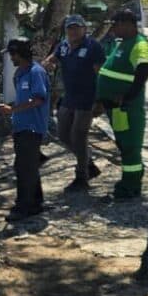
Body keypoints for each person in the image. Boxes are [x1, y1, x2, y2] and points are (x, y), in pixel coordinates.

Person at [95, 10, 148, 199]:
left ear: (128, 23)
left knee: (130, 146)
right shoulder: (123, 44)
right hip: (116, 109)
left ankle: (131, 186)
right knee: (123, 144)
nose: (113, 28)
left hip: (128, 108)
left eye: (115, 24)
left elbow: (143, 69)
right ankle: (128, 180)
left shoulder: (140, 44)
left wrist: (128, 96)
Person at [43, 15, 105, 191]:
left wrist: (99, 101)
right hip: (69, 97)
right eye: (70, 28)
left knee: (79, 136)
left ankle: (81, 177)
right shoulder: (63, 45)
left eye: (77, 28)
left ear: (84, 29)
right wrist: (46, 65)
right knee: (63, 135)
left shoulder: (93, 47)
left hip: (88, 98)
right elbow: (51, 60)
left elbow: (101, 74)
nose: (73, 31)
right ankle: (88, 164)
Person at [0, 39, 50, 222]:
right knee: (28, 167)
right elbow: (23, 99)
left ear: (18, 54)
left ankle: (23, 207)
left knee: (23, 169)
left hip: (32, 127)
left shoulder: (35, 72)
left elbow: (38, 99)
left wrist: (12, 110)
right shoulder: (20, 73)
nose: (11, 58)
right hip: (21, 127)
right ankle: (36, 202)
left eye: (12, 54)